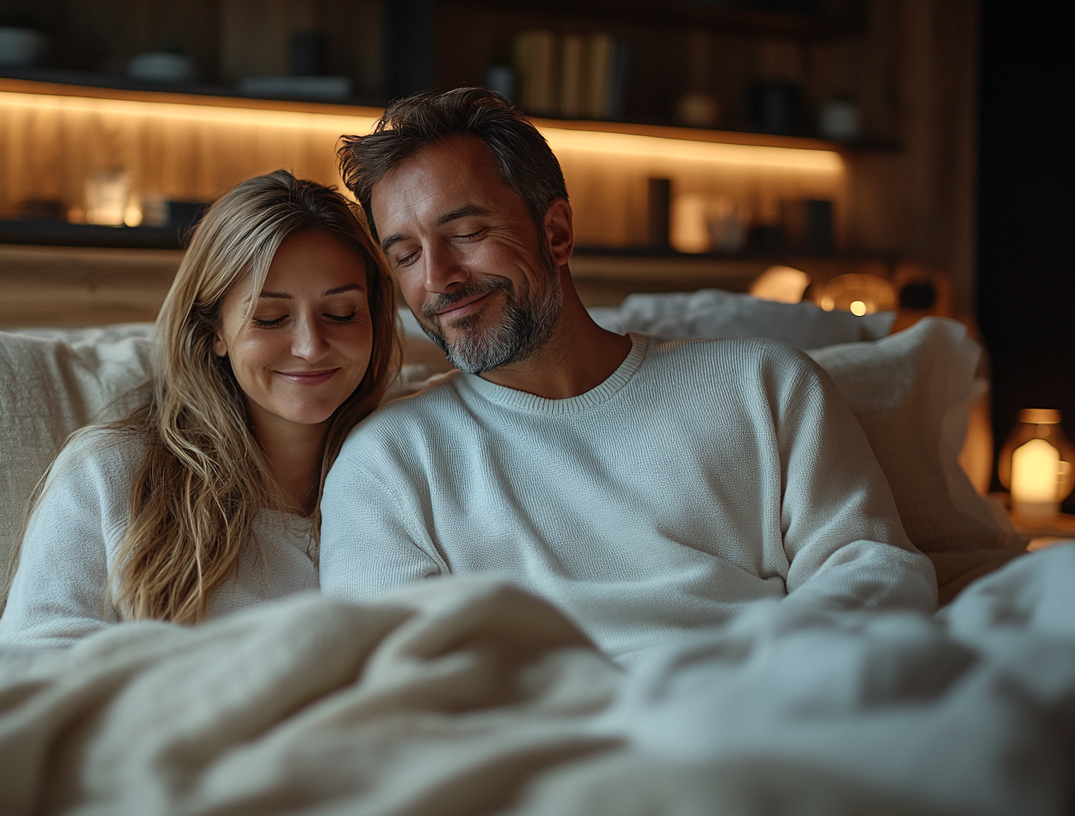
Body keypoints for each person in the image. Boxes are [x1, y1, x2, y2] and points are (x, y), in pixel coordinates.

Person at [318, 88, 937, 665]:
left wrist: (764, 692)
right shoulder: (388, 460)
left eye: (467, 232)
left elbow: (875, 572)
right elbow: (403, 678)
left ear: (555, 232)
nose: (438, 278)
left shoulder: (763, 384)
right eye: (406, 255)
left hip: (773, 711)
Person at [0, 170, 399, 646]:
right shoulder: (112, 474)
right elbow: (32, 662)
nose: (312, 347)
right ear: (213, 331)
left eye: (341, 314)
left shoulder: (402, 466)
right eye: (270, 319)